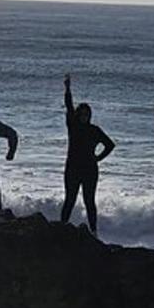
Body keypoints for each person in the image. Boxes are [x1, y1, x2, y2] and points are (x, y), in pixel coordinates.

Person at [60, 74, 115, 235]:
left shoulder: (94, 130)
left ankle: (93, 231)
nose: (84, 117)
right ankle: (62, 228)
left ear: (89, 115)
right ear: (78, 115)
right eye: (82, 114)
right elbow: (69, 106)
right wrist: (68, 89)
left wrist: (98, 158)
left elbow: (110, 145)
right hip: (72, 168)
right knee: (70, 199)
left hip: (90, 169)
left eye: (87, 114)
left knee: (89, 201)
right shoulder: (73, 126)